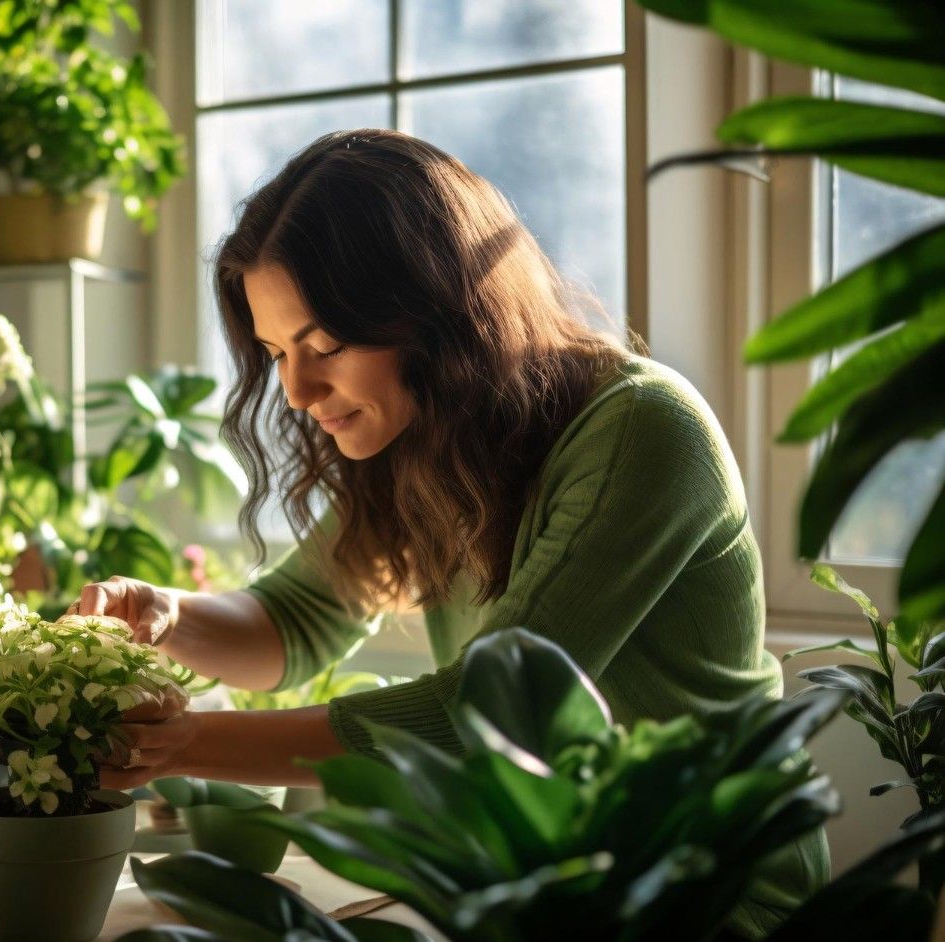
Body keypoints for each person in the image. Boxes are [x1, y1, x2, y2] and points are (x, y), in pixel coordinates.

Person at [71, 128, 827, 937]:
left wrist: (181, 744)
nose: (295, 390)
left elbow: (487, 713)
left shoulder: (641, 430)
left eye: (325, 344)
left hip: (713, 902)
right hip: (544, 894)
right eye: (273, 351)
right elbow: (292, 624)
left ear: (438, 311)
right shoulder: (419, 444)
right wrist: (169, 616)